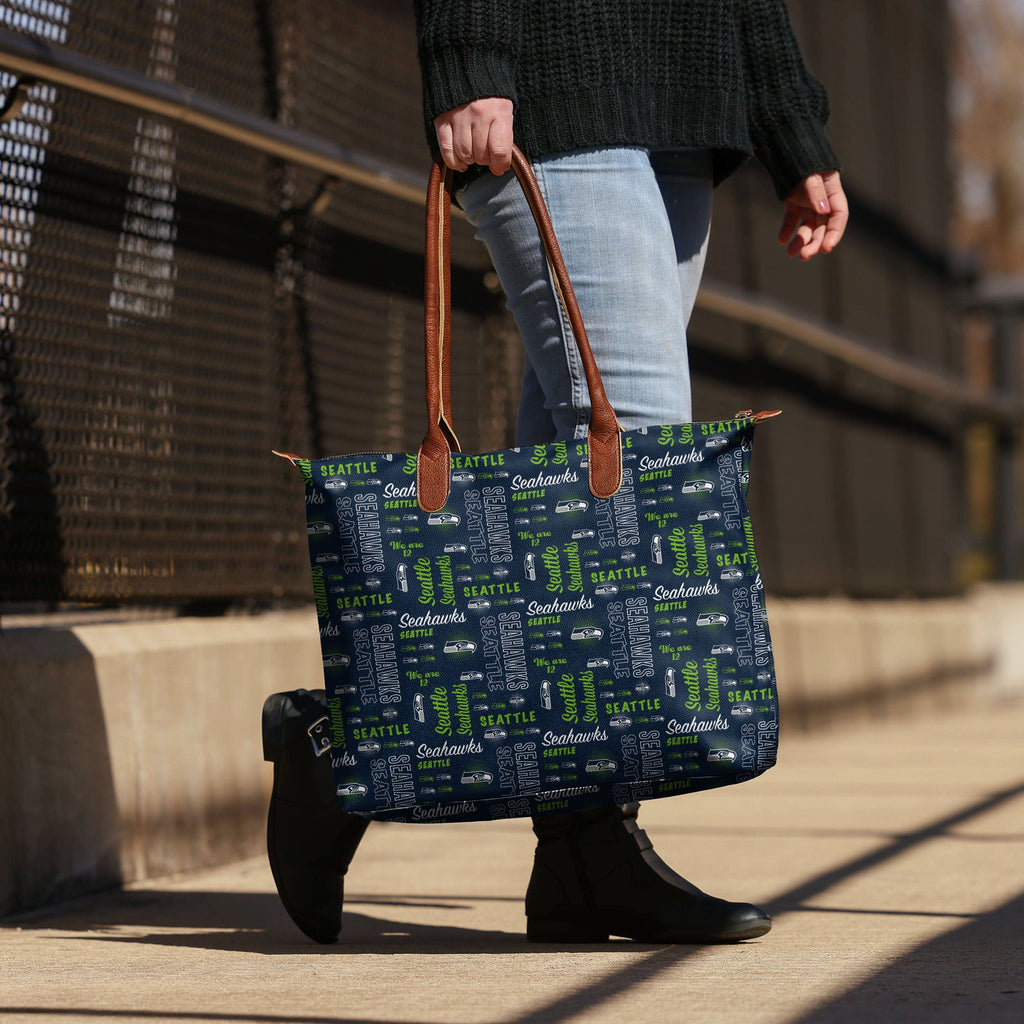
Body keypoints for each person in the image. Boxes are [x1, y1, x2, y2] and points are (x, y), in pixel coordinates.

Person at [262, 0, 848, 946]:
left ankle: (585, 853)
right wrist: (469, 53)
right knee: (641, 462)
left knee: (579, 484)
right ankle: (347, 742)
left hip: (682, 90)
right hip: (555, 75)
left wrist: (789, 118)